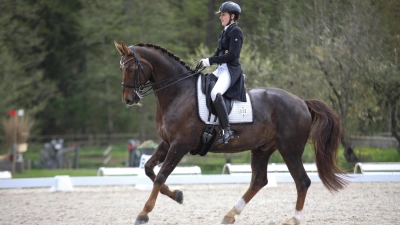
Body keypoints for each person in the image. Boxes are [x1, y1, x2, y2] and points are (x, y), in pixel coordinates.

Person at [200, 1, 246, 145]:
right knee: (203, 84)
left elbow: (232, 55)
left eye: (223, 15)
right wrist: (205, 63)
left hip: (230, 70)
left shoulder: (236, 31)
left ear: (232, 16)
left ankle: (227, 129)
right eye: (220, 15)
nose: (220, 17)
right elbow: (218, 53)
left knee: (215, 93)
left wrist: (210, 60)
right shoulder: (225, 31)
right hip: (220, 69)